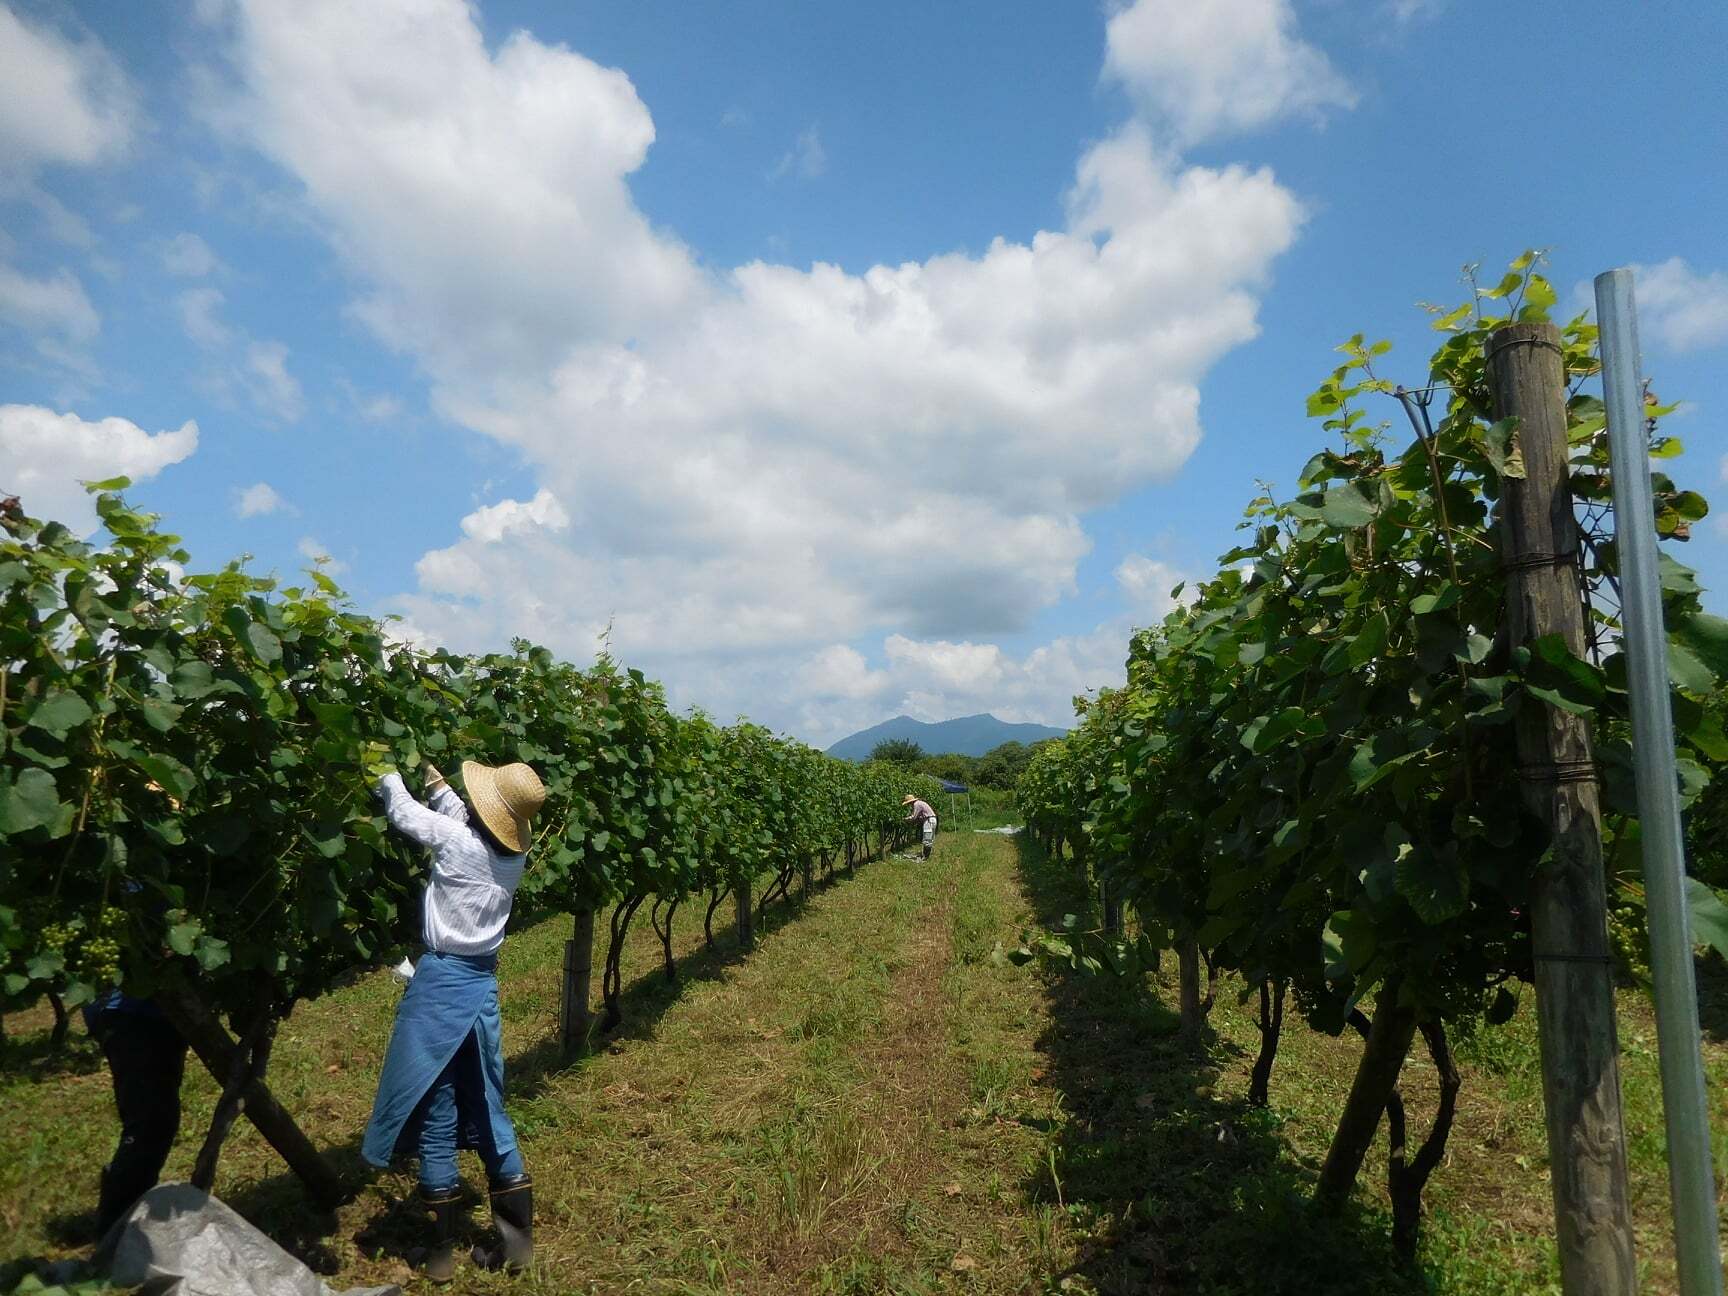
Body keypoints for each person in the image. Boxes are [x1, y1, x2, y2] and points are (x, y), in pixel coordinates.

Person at [362, 756, 546, 1284]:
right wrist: (437, 781)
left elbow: (403, 814)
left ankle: (439, 1257)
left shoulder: (457, 842)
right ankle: (516, 1249)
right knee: (488, 1103)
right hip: (480, 987)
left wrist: (387, 771)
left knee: (436, 1105)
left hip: (439, 985)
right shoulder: (512, 859)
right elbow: (463, 820)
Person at [83, 989, 187, 1236]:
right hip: (131, 1012)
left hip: (156, 1013)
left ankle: (124, 1221)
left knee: (156, 1118)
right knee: (151, 1121)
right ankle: (115, 1232)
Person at [902, 793, 938, 860]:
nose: (909, 805)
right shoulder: (920, 803)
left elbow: (914, 816)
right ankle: (925, 855)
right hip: (932, 819)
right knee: (929, 838)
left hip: (928, 820)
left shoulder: (916, 804)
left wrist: (905, 819)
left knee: (927, 838)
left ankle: (925, 857)